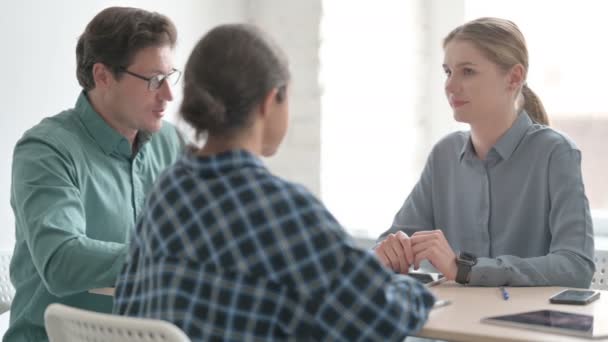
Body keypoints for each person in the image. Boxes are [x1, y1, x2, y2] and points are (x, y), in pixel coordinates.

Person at [113, 23, 435, 341]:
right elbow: (380, 319)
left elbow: (127, 305)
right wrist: (411, 288)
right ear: (270, 101)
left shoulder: (169, 189)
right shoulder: (282, 209)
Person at [6, 7, 183, 341]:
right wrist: (168, 262)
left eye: (170, 76)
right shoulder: (45, 150)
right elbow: (62, 260)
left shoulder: (170, 143)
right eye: (154, 80)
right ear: (103, 76)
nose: (168, 95)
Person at [376, 17, 594, 288]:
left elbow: (576, 266)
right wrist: (388, 251)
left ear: (514, 77)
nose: (450, 86)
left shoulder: (555, 152)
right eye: (448, 72)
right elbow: (398, 237)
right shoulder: (444, 154)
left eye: (467, 71)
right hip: (450, 325)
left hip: (522, 326)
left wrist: (466, 269)